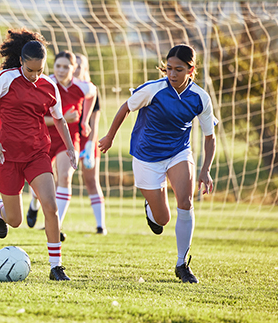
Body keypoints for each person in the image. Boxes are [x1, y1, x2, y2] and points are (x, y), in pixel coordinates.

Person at [98, 44, 217, 283]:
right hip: (146, 157)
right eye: (169, 68)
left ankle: (182, 264)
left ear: (191, 70)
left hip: (178, 153)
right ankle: (151, 207)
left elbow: (209, 137)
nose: (172, 74)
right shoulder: (153, 89)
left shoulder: (200, 98)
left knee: (186, 200)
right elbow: (125, 108)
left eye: (179, 69)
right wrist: (109, 136)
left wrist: (205, 170)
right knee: (163, 219)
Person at [0, 29, 78, 281]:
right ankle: (0, 211)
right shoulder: (5, 79)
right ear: (21, 62)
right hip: (5, 156)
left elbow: (59, 120)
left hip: (36, 154)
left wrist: (71, 148)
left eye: (40, 70)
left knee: (50, 207)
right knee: (16, 220)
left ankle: (56, 267)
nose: (35, 75)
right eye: (30, 70)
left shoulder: (49, 86)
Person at [25, 51, 97, 242]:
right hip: (43, 138)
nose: (62, 70)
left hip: (68, 138)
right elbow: (35, 117)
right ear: (53, 67)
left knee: (64, 177)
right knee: (40, 183)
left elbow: (93, 93)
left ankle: (57, 225)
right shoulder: (44, 84)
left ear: (74, 69)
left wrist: (85, 120)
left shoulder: (81, 87)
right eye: (58, 66)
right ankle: (34, 203)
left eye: (66, 67)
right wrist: (63, 118)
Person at [75, 54, 107, 235]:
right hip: (69, 141)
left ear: (85, 68)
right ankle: (55, 221)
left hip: (87, 142)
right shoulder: (64, 89)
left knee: (91, 181)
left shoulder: (92, 90)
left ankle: (101, 225)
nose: (77, 69)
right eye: (75, 65)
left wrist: (89, 146)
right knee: (59, 180)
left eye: (81, 66)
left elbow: (94, 123)